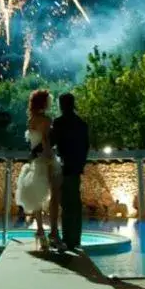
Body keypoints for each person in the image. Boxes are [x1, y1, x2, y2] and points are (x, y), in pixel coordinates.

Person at [14, 89, 63, 250]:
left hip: (35, 159)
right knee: (54, 196)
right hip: (46, 159)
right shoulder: (46, 120)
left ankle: (40, 231)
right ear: (44, 103)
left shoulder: (31, 120)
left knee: (37, 196)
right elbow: (45, 141)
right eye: (48, 100)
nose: (50, 103)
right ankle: (54, 232)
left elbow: (34, 143)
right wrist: (50, 159)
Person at [50, 92, 89, 250]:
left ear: (62, 105)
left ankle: (68, 240)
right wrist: (80, 165)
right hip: (76, 168)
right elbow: (86, 146)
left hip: (65, 167)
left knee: (66, 204)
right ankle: (76, 239)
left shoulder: (60, 122)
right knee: (75, 204)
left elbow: (52, 140)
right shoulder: (81, 123)